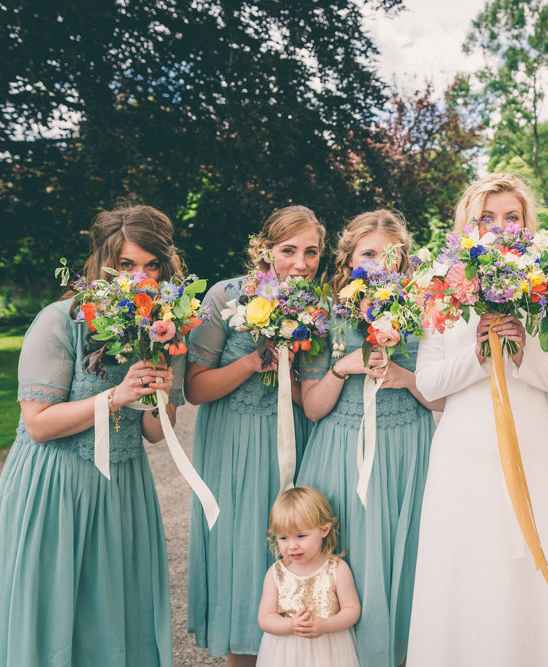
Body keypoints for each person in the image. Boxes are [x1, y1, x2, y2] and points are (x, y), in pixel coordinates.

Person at [0, 204, 185, 666]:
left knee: (115, 615)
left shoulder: (165, 329)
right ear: (104, 262)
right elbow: (37, 424)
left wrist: (161, 392)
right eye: (127, 264)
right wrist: (116, 395)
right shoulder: (59, 321)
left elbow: (157, 433)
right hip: (57, 487)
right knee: (53, 613)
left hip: (124, 488)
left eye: (152, 265)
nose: (140, 278)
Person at [406, 174, 548, 666]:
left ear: (527, 226)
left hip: (533, 452)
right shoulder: (443, 293)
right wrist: (478, 354)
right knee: (467, 570)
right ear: (468, 226)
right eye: (487, 217)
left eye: (512, 217)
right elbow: (429, 384)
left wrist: (524, 351)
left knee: (528, 566)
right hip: (463, 456)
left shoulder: (547, 291)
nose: (500, 226)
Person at [297, 209, 440, 667]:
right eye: (369, 254)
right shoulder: (325, 316)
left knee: (406, 561)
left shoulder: (426, 313)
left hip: (407, 453)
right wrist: (343, 368)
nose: (381, 264)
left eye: (391, 255)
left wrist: (405, 377)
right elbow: (313, 407)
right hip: (341, 452)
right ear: (349, 259)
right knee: (348, 559)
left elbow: (440, 400)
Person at [186, 205, 323, 665]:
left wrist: (294, 369)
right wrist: (251, 362)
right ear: (265, 251)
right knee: (241, 550)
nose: (300, 263)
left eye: (311, 252)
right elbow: (194, 389)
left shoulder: (318, 306)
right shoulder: (224, 296)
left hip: (295, 439)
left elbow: (310, 394)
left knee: (296, 549)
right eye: (288, 250)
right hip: (234, 444)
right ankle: (242, 652)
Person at [257, 486, 361, 667]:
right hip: (286, 653)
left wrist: (326, 625)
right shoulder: (275, 573)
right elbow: (265, 617)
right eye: (283, 538)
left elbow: (352, 610)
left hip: (329, 649)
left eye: (301, 536)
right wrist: (291, 625)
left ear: (324, 530)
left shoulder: (337, 569)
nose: (292, 546)